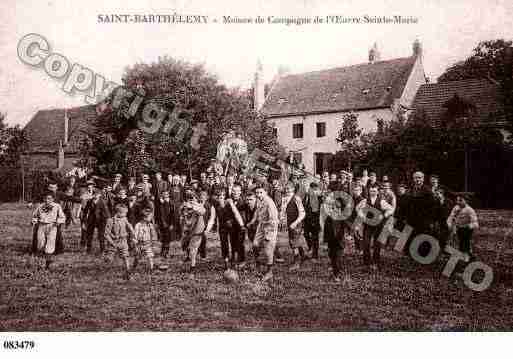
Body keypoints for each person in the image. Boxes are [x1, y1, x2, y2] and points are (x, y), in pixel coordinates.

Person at [356, 184, 394, 271]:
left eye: (374, 191)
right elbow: (357, 208)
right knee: (366, 243)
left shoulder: (381, 201)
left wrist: (384, 215)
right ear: (369, 192)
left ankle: (376, 261)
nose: (372, 192)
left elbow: (391, 209)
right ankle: (366, 262)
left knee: (377, 244)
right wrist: (362, 216)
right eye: (371, 191)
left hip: (378, 225)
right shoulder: (365, 201)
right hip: (368, 225)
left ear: (377, 192)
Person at [31, 192, 66, 270]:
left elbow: (62, 217)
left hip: (52, 226)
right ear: (43, 199)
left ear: (53, 199)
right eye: (45, 198)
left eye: (49, 198)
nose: (47, 200)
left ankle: (48, 263)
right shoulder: (40, 206)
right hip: (42, 225)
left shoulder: (57, 206)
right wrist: (34, 220)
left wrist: (58, 221)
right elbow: (35, 216)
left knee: (50, 243)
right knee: (40, 243)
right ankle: (39, 263)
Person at [253, 185, 279, 282]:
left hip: (270, 227)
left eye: (261, 192)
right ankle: (258, 266)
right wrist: (253, 221)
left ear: (266, 192)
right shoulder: (259, 201)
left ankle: (269, 272)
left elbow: (274, 219)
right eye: (257, 192)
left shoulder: (269, 203)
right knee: (255, 245)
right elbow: (257, 212)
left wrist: (268, 231)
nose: (258, 195)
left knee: (268, 249)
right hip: (261, 226)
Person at [104, 204, 136, 280]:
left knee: (125, 257)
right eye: (124, 213)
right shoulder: (111, 221)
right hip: (113, 242)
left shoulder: (125, 219)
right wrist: (112, 243)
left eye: (126, 213)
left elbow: (130, 228)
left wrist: (133, 234)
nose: (125, 215)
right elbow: (106, 234)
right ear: (118, 213)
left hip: (123, 241)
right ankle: (107, 257)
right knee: (109, 259)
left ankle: (127, 273)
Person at [282, 181, 308, 270]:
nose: (286, 190)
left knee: (294, 242)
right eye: (285, 188)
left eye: (288, 188)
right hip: (289, 222)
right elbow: (283, 211)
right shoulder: (284, 198)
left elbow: (303, 213)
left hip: (296, 224)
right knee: (294, 240)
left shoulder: (297, 198)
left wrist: (295, 223)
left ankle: (296, 262)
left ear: (293, 189)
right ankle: (303, 255)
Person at [180, 191, 206, 275]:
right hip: (187, 230)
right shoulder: (184, 206)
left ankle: (192, 267)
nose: (191, 200)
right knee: (184, 245)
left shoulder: (199, 207)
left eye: (192, 198)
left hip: (197, 231)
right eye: (189, 198)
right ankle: (188, 255)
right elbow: (182, 216)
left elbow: (202, 211)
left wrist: (195, 207)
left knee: (193, 249)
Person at [447, 194, 479, 262]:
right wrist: (449, 223)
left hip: (467, 229)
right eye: (457, 200)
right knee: (460, 242)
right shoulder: (456, 208)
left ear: (466, 201)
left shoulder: (470, 210)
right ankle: (468, 254)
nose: (458, 202)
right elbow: (451, 216)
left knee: (465, 242)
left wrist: (469, 226)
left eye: (460, 200)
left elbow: (475, 223)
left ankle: (466, 257)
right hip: (459, 228)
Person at [82, 189, 111, 254]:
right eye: (94, 194)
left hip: (101, 220)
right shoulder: (90, 201)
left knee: (101, 236)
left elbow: (107, 212)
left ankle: (102, 250)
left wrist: (108, 220)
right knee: (89, 235)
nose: (95, 196)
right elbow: (85, 211)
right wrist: (84, 220)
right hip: (91, 220)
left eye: (97, 194)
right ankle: (88, 250)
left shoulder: (103, 202)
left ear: (100, 195)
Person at [215, 189, 237, 269]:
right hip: (222, 228)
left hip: (230, 226)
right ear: (217, 198)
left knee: (233, 242)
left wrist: (230, 221)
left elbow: (234, 214)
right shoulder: (217, 207)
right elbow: (215, 218)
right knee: (224, 243)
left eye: (223, 196)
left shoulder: (229, 205)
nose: (222, 198)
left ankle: (233, 258)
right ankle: (226, 260)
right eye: (220, 197)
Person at [228, 184, 247, 268]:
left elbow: (243, 216)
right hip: (232, 226)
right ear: (232, 192)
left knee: (240, 243)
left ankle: (242, 260)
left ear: (240, 192)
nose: (235, 193)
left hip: (240, 227)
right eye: (234, 191)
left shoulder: (243, 202)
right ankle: (233, 258)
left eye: (237, 191)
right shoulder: (229, 201)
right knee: (232, 242)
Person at [133, 207, 157, 272]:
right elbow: (135, 235)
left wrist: (154, 242)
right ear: (144, 217)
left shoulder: (150, 225)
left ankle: (151, 269)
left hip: (148, 244)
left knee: (150, 257)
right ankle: (134, 267)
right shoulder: (138, 225)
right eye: (150, 217)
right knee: (137, 257)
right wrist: (135, 244)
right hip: (140, 244)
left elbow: (153, 234)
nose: (151, 219)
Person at [303, 182, 322, 259]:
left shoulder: (318, 198)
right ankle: (310, 247)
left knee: (315, 237)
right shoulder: (306, 197)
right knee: (305, 234)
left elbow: (319, 211)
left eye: (314, 189)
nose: (311, 191)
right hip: (307, 219)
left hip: (315, 220)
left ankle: (315, 254)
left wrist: (316, 221)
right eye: (310, 189)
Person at [156, 190, 177, 258]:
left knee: (168, 238)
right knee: (164, 238)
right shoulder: (159, 203)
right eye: (164, 194)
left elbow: (173, 214)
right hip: (162, 223)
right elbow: (159, 214)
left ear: (168, 195)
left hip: (169, 223)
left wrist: (172, 224)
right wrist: (158, 223)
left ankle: (166, 252)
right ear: (162, 195)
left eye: (166, 194)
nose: (165, 195)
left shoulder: (171, 203)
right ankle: (163, 252)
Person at [198, 190, 216, 260]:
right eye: (201, 195)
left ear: (206, 197)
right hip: (196, 226)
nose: (202, 197)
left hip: (204, 226)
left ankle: (203, 255)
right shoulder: (197, 204)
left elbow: (211, 218)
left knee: (203, 240)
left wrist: (208, 228)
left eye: (204, 195)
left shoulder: (209, 206)